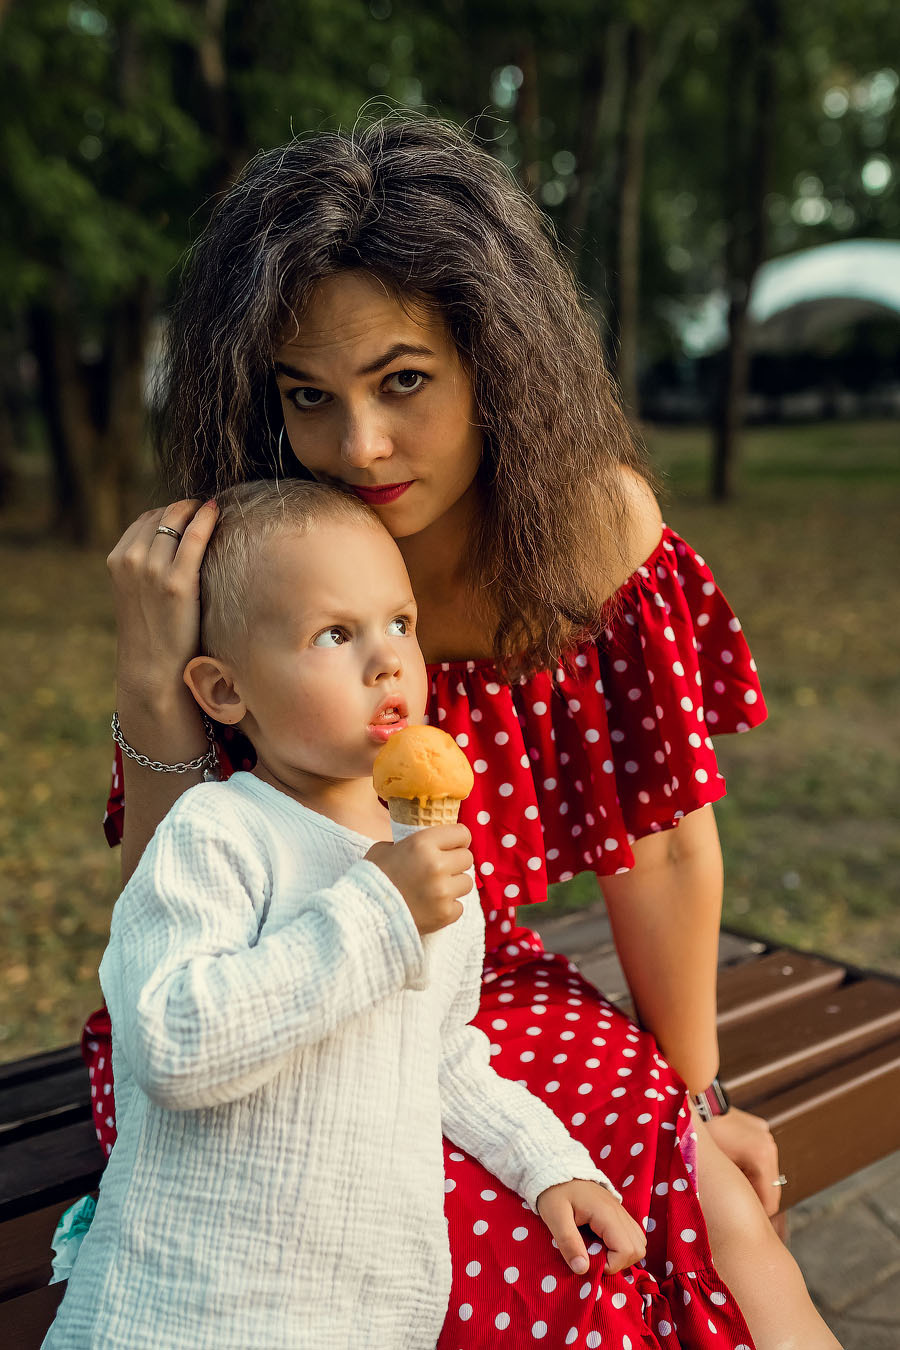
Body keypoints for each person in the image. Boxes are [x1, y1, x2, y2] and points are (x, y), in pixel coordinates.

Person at [84, 116, 841, 1348]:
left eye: (405, 382)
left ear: (496, 358)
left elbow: (660, 848)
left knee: (717, 1209)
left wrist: (694, 1099)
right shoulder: (249, 555)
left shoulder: (583, 533)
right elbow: (170, 904)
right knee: (526, 1275)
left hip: (463, 997)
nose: (359, 447)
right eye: (309, 398)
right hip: (257, 1027)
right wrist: (146, 670)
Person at [47, 480, 646, 1350]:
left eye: (399, 623)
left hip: (369, 1311)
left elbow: (438, 1051)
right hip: (189, 1308)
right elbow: (171, 1044)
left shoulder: (423, 852)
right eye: (335, 634)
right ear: (223, 690)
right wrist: (379, 910)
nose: (388, 660)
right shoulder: (218, 832)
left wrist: (546, 1163)